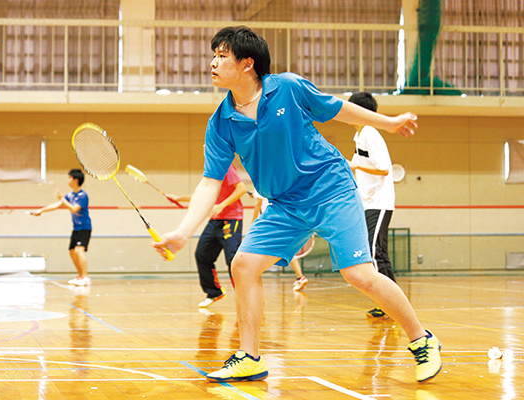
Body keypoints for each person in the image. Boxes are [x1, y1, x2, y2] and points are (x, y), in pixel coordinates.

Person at [153, 26, 441, 384]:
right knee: (243, 265)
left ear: (247, 64)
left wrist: (390, 123)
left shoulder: (287, 88)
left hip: (330, 189)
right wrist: (183, 232)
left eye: (222, 56)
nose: (212, 63)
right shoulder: (221, 122)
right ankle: (250, 357)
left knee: (359, 274)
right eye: (213, 55)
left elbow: (339, 109)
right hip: (284, 204)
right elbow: (210, 182)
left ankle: (422, 339)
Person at [168, 164, 246, 308]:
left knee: (233, 260)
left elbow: (241, 189)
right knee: (202, 255)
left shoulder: (226, 167)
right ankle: (214, 292)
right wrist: (179, 198)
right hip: (215, 220)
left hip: (231, 219)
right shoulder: (210, 171)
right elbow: (202, 196)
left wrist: (222, 205)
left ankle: (244, 297)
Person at [347, 92, 396, 318]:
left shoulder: (370, 133)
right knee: (375, 252)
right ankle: (387, 302)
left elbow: (384, 169)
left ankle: (391, 303)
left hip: (379, 202)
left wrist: (355, 165)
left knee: (376, 252)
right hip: (367, 203)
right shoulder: (359, 136)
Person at [33, 168, 92, 286]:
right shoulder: (70, 195)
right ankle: (80, 276)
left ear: (75, 180)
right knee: (72, 252)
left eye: (69, 178)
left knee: (79, 250)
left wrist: (62, 199)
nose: (68, 180)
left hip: (85, 227)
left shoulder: (83, 195)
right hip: (76, 228)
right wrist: (41, 210)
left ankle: (85, 277)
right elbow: (56, 205)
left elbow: (74, 209)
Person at [251, 191, 308, 291]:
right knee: (284, 250)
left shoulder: (260, 185)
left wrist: (253, 223)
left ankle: (252, 274)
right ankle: (300, 277)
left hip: (269, 221)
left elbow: (258, 204)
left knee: (257, 249)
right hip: (283, 219)